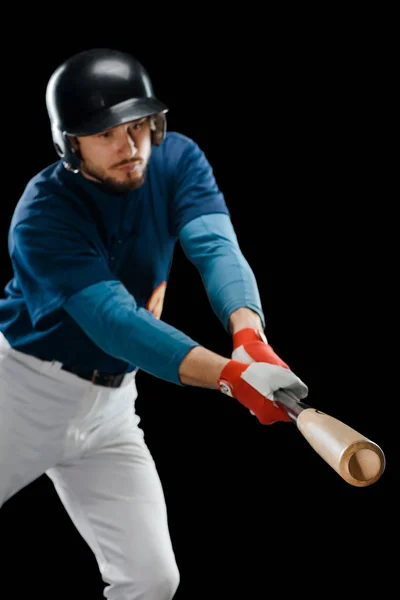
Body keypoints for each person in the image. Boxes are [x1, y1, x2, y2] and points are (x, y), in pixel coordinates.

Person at [0, 48, 308, 600]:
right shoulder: (42, 215)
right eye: (106, 134)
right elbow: (117, 323)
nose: (130, 146)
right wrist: (231, 378)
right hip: (22, 394)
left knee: (152, 579)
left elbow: (215, 248)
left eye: (139, 125)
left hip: (113, 410)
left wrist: (248, 335)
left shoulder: (177, 159)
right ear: (70, 144)